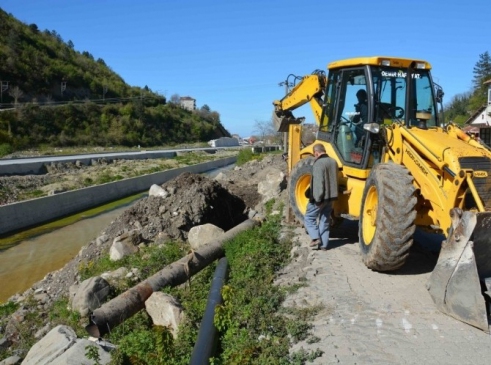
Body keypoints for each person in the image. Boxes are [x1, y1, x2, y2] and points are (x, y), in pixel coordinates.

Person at [305, 143, 339, 251]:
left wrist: (318, 199)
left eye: (314, 154)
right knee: (325, 220)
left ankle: (315, 238)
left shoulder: (319, 163)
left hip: (320, 198)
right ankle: (324, 245)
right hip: (331, 197)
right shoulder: (333, 162)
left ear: (316, 153)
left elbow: (319, 183)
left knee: (309, 217)